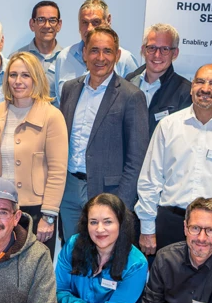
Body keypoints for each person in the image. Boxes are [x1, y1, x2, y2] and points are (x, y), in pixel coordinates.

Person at [59, 26, 148, 242]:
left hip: (108, 192)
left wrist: (120, 206)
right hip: (69, 189)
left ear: (117, 55)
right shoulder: (70, 89)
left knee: (103, 259)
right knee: (73, 254)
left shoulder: (131, 96)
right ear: (84, 53)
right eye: (94, 50)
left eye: (107, 51)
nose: (100, 58)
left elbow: (136, 159)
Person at [0, 52, 67, 252]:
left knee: (34, 274)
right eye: (13, 75)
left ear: (36, 78)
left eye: (25, 75)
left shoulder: (52, 116)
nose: (18, 81)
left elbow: (57, 171)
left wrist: (48, 216)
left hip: (36, 211)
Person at [136, 64, 212, 255]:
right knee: (167, 283)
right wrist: (148, 228)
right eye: (200, 82)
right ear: (192, 87)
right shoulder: (169, 125)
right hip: (171, 224)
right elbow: (150, 179)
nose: (205, 89)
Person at [52, 0, 139, 104]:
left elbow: (134, 104)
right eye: (84, 22)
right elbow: (60, 104)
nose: (89, 29)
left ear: (108, 21)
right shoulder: (64, 57)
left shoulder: (125, 60)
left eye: (95, 22)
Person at [125, 23, 191, 137]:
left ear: (175, 53)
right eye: (152, 48)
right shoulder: (128, 82)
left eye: (165, 49)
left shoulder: (185, 92)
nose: (157, 55)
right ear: (143, 50)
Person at [16, 0, 63, 101]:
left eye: (52, 20)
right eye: (41, 20)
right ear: (32, 24)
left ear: (59, 25)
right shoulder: (16, 59)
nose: (47, 25)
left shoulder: (68, 60)